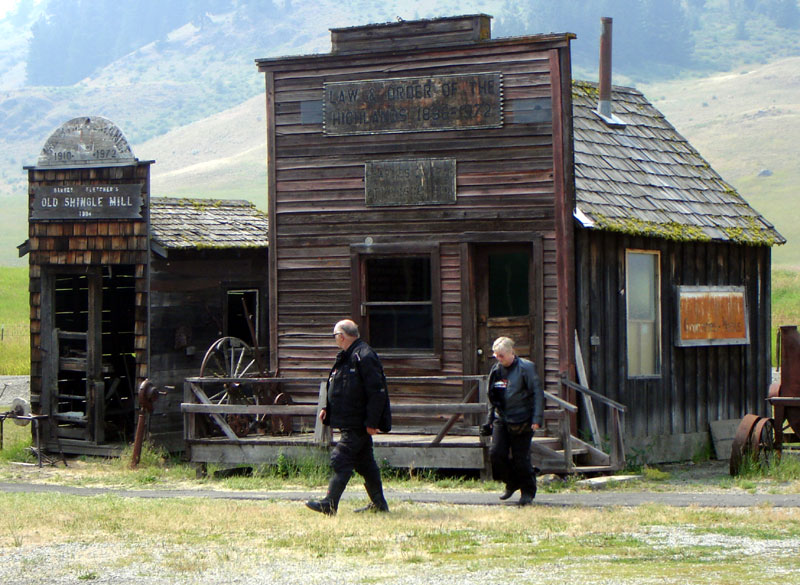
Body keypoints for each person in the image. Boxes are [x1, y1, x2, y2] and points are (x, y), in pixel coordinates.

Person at [305, 319, 390, 516]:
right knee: (366, 464)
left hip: (358, 422)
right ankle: (379, 504)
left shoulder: (365, 356)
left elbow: (377, 392)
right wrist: (328, 408)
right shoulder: (346, 356)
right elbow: (341, 387)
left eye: (335, 336)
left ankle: (329, 504)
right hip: (348, 419)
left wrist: (372, 422)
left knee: (340, 458)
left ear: (341, 336)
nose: (335, 339)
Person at [482, 336, 544, 506]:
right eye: (496, 355)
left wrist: (537, 419)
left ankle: (528, 491)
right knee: (496, 454)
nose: (499, 359)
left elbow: (538, 393)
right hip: (502, 418)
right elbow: (492, 397)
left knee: (521, 458)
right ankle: (512, 482)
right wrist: (488, 421)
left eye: (501, 355)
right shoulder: (496, 370)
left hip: (523, 419)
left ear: (511, 353)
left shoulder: (526, 368)